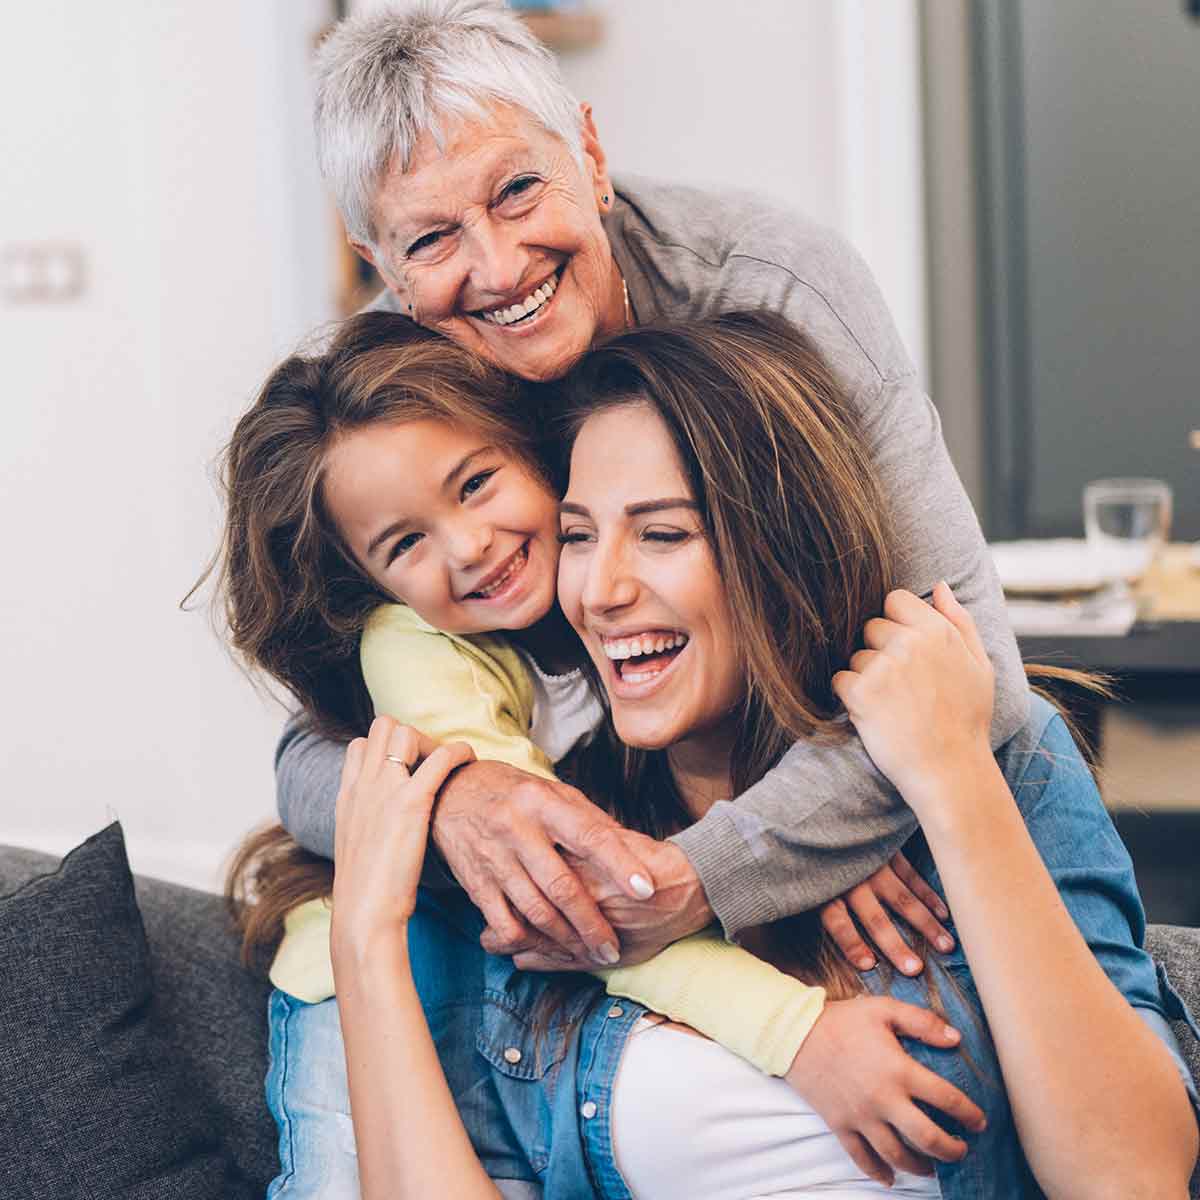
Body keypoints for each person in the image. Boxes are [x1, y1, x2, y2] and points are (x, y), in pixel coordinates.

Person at [221, 312, 1197, 1198]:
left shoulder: (997, 764)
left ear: (781, 546)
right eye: (577, 535)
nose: (599, 589)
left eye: (663, 533)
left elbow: (1133, 1179)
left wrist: (949, 778)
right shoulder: (568, 853)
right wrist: (367, 936)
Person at [276, 0, 1032, 979]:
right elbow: (304, 759)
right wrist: (454, 801)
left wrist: (717, 866)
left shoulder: (775, 287)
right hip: (606, 842)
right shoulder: (387, 401)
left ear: (588, 154)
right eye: (430, 242)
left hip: (833, 823)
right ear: (383, 270)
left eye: (516, 190)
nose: (498, 268)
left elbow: (978, 677)